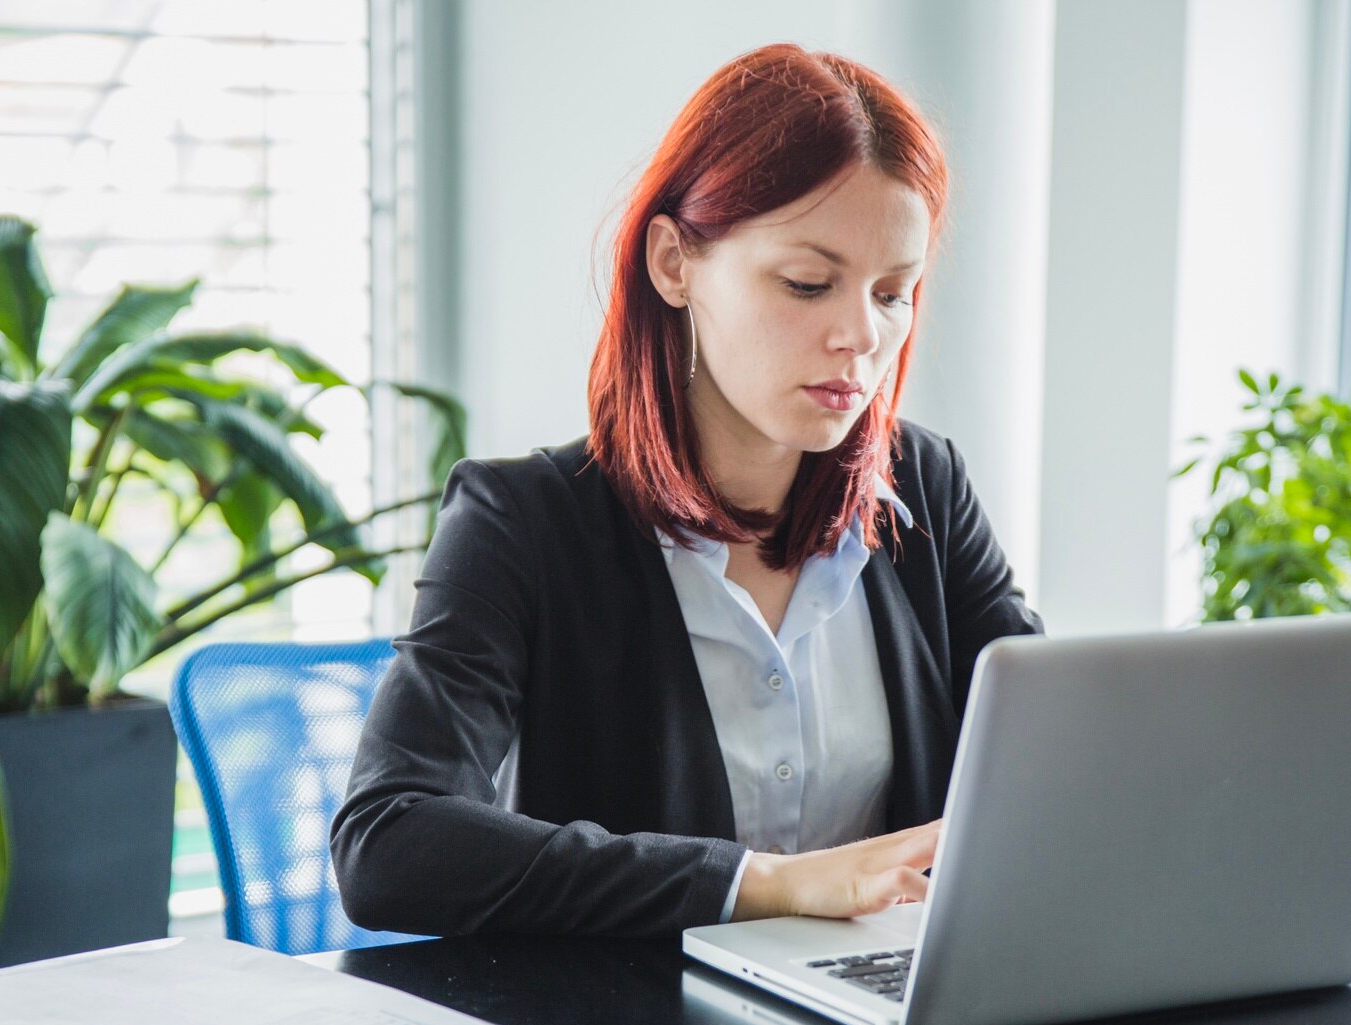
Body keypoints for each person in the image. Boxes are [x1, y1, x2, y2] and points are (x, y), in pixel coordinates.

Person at [331, 43, 1041, 937]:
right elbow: (388, 842)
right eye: (808, 283)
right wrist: (765, 883)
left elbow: (1048, 757)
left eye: (894, 294)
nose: (860, 336)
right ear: (674, 263)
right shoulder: (522, 524)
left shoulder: (922, 490)